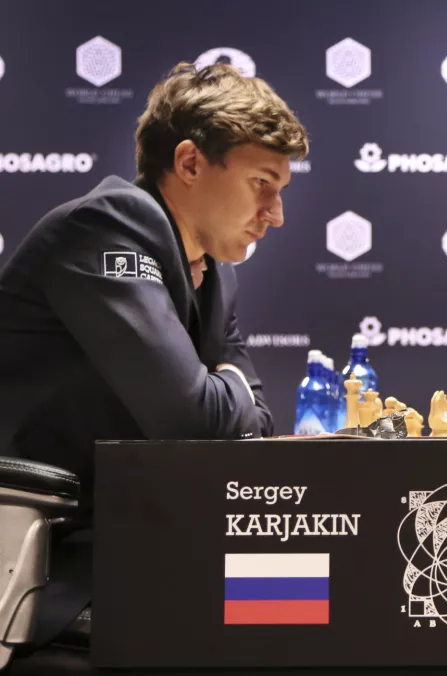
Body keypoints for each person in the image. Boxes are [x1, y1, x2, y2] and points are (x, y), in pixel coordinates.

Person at [0, 61, 308, 649]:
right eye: (261, 183)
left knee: (313, 595)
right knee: (286, 617)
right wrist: (223, 388)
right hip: (50, 559)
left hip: (137, 535)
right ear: (190, 163)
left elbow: (255, 425)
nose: (276, 213)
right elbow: (194, 422)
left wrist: (221, 388)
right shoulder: (104, 229)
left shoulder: (215, 271)